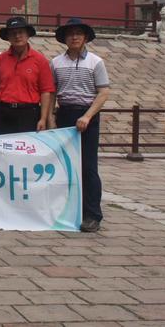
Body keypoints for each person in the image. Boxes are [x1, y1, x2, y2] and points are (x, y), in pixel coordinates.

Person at [51, 18, 110, 233]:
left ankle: (92, 214)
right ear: (64, 38)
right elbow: (52, 92)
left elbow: (103, 92)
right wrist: (50, 117)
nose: (74, 37)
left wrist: (87, 116)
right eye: (70, 34)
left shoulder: (95, 62)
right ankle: (68, 210)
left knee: (88, 167)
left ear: (85, 37)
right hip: (65, 113)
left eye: (78, 33)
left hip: (87, 115)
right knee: (65, 165)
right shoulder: (56, 62)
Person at [0, 16, 55, 135]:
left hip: (29, 113)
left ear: (28, 35)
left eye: (20, 32)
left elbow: (45, 92)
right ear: (8, 37)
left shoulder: (40, 60)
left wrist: (43, 119)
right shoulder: (0, 59)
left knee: (27, 150)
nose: (17, 36)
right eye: (13, 33)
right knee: (4, 151)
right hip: (4, 112)